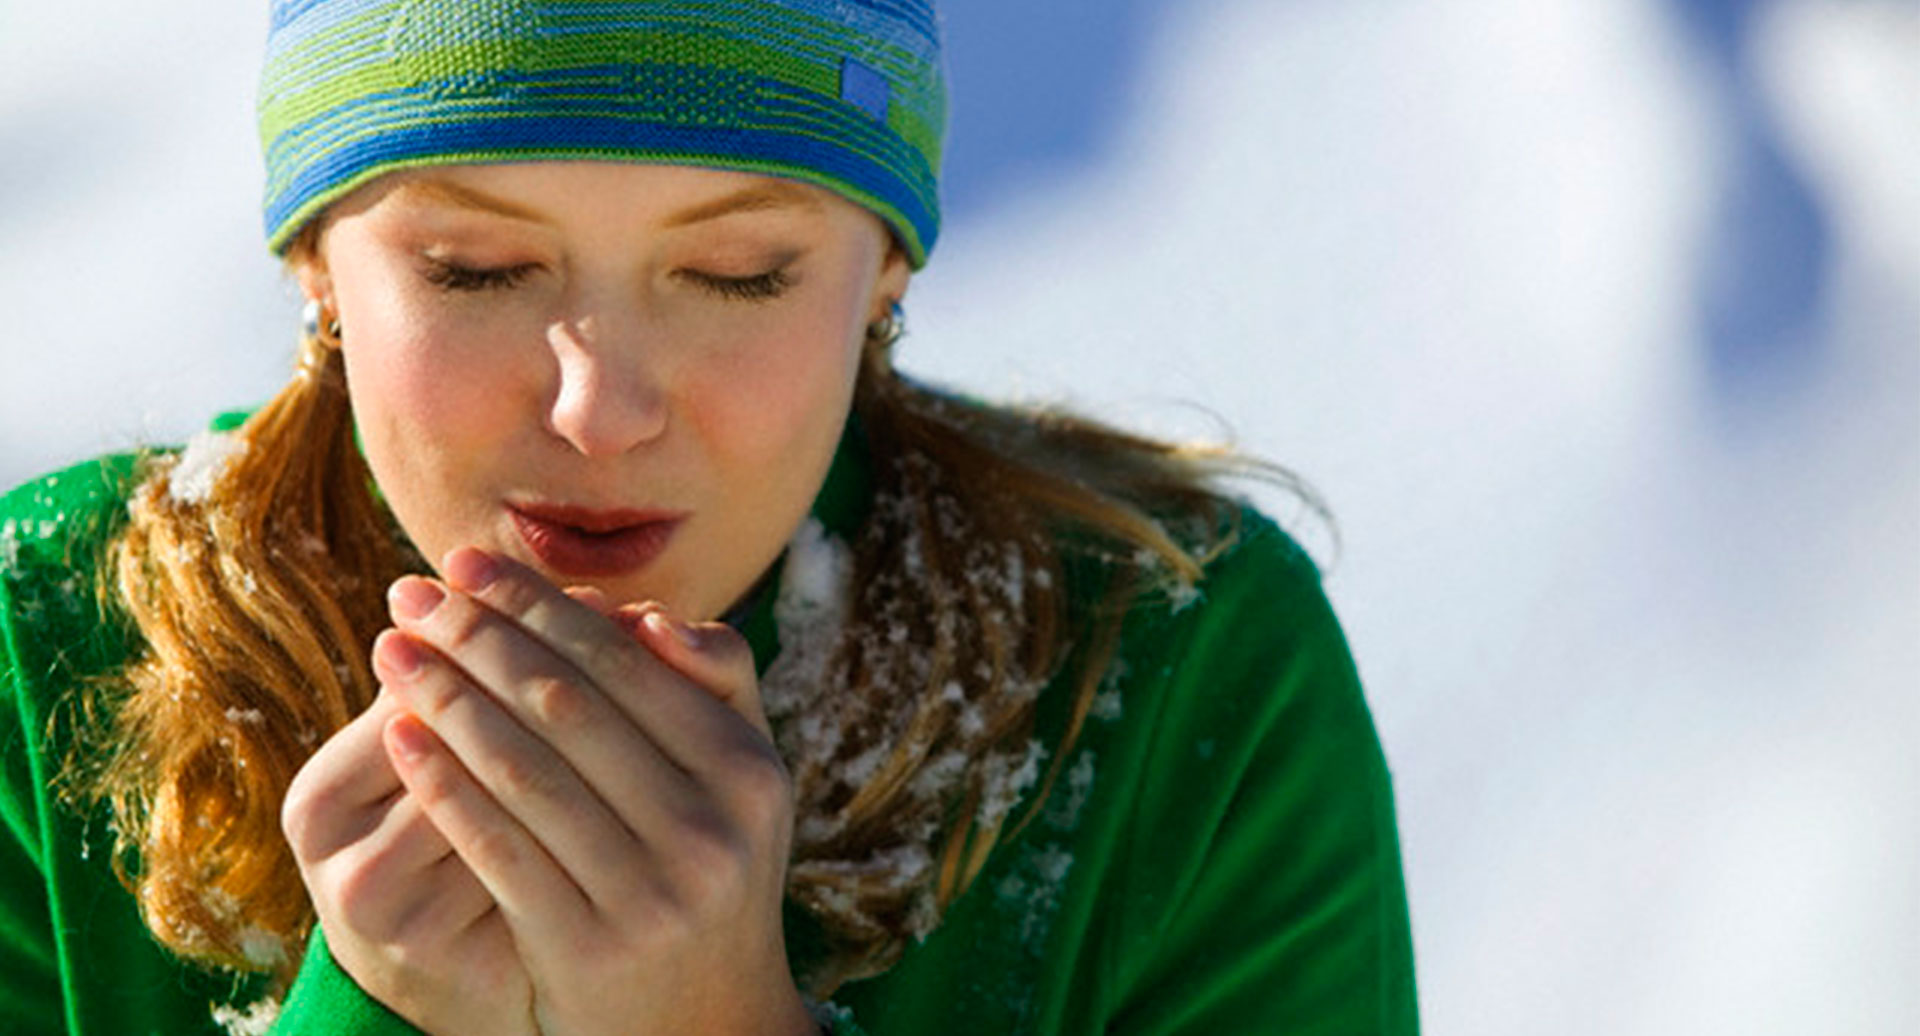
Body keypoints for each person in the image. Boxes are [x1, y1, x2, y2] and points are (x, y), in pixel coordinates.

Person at [0, 1, 1418, 1032]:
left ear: (881, 275)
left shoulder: (1167, 677)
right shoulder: (39, 651)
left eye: (739, 273)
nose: (600, 406)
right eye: (476, 268)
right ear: (317, 256)